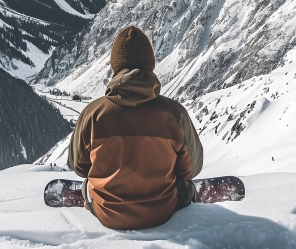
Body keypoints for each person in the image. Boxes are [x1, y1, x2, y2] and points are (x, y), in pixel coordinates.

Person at [68, 26, 203, 230]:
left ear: (116, 66)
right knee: (185, 186)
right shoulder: (176, 114)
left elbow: (79, 167)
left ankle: (91, 197)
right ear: (150, 65)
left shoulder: (92, 114)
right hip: (161, 212)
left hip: (107, 214)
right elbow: (192, 169)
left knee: (89, 184)